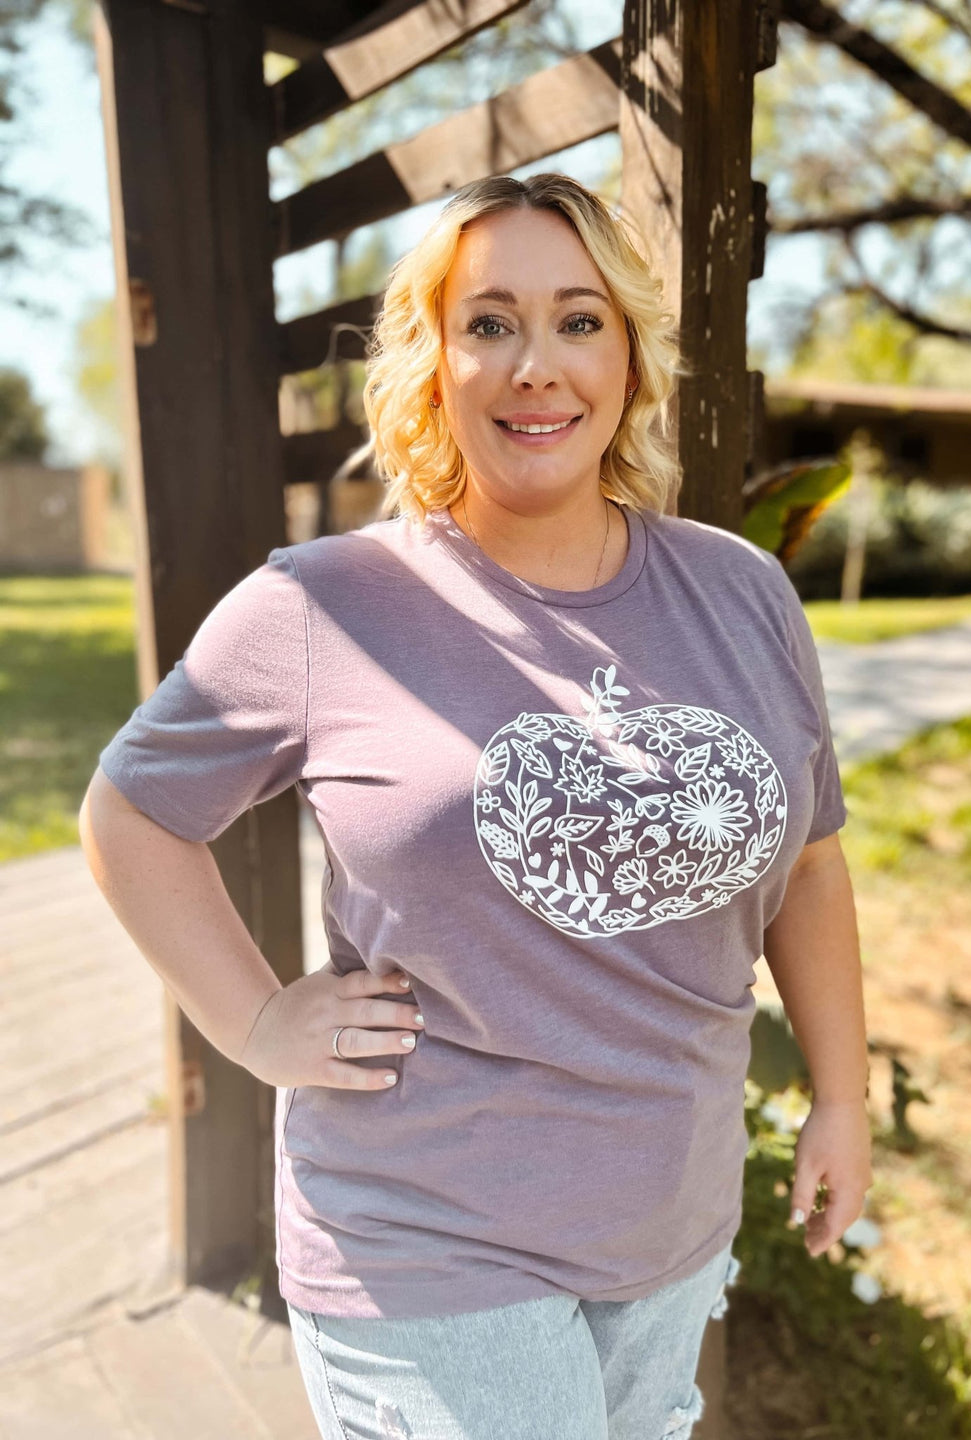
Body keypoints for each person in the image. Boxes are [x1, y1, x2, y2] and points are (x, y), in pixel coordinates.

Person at [80, 172, 872, 1440]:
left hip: (668, 1227)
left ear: (627, 356)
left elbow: (813, 864)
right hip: (426, 1240)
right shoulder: (323, 605)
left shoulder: (742, 594)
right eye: (489, 322)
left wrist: (842, 1095)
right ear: (432, 363)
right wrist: (255, 1022)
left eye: (578, 319)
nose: (536, 367)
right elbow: (133, 815)